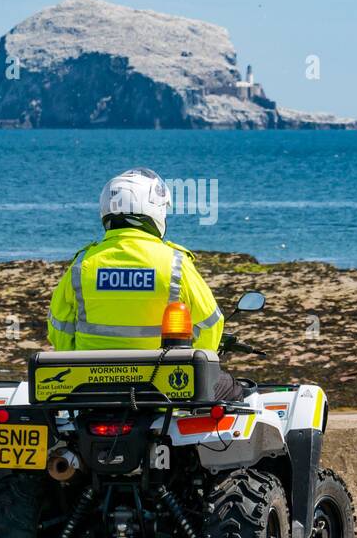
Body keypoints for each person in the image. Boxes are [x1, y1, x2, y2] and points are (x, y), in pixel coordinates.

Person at [47, 168, 244, 401]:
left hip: (91, 390)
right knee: (236, 390)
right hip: (163, 389)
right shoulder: (174, 263)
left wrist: (77, 372)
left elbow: (59, 327)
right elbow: (210, 322)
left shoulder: (83, 264)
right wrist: (196, 369)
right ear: (154, 210)